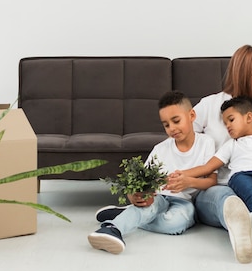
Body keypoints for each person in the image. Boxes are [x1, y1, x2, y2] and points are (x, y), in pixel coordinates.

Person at [192, 45, 252, 264]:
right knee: (226, 200)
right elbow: (182, 139)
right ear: (244, 69)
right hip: (217, 188)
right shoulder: (211, 104)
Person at [87, 90, 217, 254]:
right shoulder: (160, 149)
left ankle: (129, 215)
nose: (172, 128)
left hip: (184, 202)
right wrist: (133, 196)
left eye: (176, 121)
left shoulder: (206, 143)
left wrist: (189, 182)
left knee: (176, 223)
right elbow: (143, 184)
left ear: (192, 115)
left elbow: (212, 180)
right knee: (149, 208)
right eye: (166, 125)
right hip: (159, 196)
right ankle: (113, 228)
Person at [177, 96, 252, 254]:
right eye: (225, 123)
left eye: (231, 120)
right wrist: (182, 174)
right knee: (248, 188)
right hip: (241, 177)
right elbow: (208, 167)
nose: (227, 126)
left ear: (249, 117)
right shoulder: (231, 145)